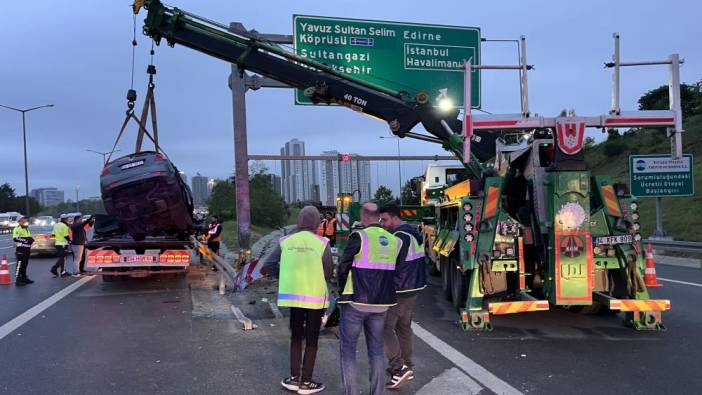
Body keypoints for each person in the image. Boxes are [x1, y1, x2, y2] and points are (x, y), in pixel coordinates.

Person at [337, 202, 400, 395]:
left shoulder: (359, 237)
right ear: (379, 217)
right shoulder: (394, 241)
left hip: (357, 303)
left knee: (348, 350)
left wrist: (341, 291)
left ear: (364, 217)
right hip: (381, 305)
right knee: (376, 351)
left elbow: (342, 266)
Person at [379, 204, 427, 389]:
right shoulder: (413, 233)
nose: (382, 224)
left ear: (395, 218)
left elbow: (388, 265)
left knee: (384, 327)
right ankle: (407, 365)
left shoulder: (397, 238)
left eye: (385, 220)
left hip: (399, 290)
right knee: (403, 327)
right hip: (413, 288)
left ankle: (398, 368)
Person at [12, 216, 34, 285]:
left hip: (27, 249)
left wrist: (31, 239)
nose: (24, 220)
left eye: (24, 219)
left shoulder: (26, 228)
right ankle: (17, 280)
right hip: (20, 249)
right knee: (19, 265)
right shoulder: (17, 228)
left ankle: (24, 278)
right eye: (22, 219)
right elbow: (15, 238)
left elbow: (28, 237)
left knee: (25, 264)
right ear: (19, 221)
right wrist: (26, 240)